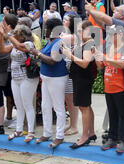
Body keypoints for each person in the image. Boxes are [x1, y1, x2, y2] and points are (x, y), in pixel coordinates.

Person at [27, 18, 68, 149]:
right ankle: (47, 133)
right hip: (46, 77)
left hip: (57, 78)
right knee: (45, 106)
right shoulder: (50, 41)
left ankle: (60, 136)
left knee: (58, 107)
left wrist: (37, 53)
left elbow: (52, 61)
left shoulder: (59, 42)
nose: (45, 30)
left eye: (46, 28)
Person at [95, 24, 124, 154]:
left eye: (112, 34)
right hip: (108, 86)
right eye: (109, 34)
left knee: (123, 114)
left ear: (120, 35)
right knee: (112, 113)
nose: (109, 36)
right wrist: (96, 57)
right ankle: (112, 137)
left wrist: (106, 59)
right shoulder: (108, 47)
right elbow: (101, 66)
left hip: (121, 87)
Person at [0, 23, 40, 142]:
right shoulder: (13, 43)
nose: (13, 34)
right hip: (15, 78)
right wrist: (1, 35)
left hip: (27, 77)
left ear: (21, 35)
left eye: (15, 33)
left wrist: (7, 35)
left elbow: (21, 47)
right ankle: (19, 129)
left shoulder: (29, 44)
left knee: (27, 105)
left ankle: (30, 131)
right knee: (19, 106)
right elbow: (2, 49)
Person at [61, 20, 97, 148]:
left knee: (84, 107)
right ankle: (91, 132)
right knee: (86, 106)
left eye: (80, 30)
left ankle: (84, 136)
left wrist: (69, 54)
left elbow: (84, 63)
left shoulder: (89, 44)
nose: (78, 32)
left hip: (83, 78)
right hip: (79, 77)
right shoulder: (82, 43)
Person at [61, 14, 80, 136]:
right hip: (66, 70)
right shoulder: (67, 35)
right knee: (68, 98)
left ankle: (74, 126)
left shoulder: (73, 36)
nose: (63, 21)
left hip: (72, 71)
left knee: (72, 99)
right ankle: (72, 124)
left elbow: (60, 37)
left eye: (66, 20)